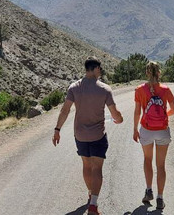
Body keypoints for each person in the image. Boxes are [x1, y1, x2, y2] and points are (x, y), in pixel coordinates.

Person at [52, 56, 123, 215]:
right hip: (98, 135)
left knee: (86, 165)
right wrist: (119, 119)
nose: (100, 72)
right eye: (100, 69)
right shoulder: (104, 89)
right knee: (97, 167)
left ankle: (91, 193)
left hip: (80, 135)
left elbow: (65, 110)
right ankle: (93, 204)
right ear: (96, 68)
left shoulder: (74, 88)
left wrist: (57, 129)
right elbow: (114, 113)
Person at [133, 61, 174, 210]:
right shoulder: (165, 89)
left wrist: (134, 129)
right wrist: (164, 116)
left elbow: (137, 112)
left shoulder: (139, 90)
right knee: (161, 165)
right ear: (159, 73)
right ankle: (160, 198)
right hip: (163, 130)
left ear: (147, 73)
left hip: (146, 129)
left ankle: (148, 190)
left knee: (147, 159)